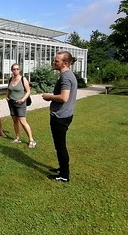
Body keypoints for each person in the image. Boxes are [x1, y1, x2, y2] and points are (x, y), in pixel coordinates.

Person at [42, 51, 78, 183]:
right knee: (59, 146)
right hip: (64, 115)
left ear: (65, 63)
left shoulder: (65, 77)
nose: (54, 62)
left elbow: (64, 97)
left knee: (60, 146)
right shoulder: (67, 75)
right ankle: (62, 169)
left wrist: (49, 96)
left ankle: (64, 175)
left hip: (60, 116)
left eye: (56, 61)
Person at [6, 63, 36, 148]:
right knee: (15, 121)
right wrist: (6, 96)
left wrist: (23, 99)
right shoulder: (11, 79)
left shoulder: (23, 79)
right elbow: (9, 89)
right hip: (11, 102)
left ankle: (31, 140)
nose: (15, 71)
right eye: (14, 69)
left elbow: (28, 91)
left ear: (19, 70)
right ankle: (17, 137)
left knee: (23, 121)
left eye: (17, 69)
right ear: (11, 70)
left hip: (21, 103)